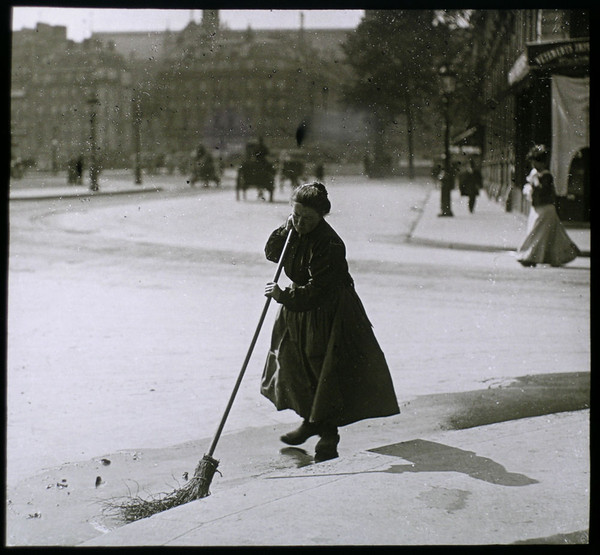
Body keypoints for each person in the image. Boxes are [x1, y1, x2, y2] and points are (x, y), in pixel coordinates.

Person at [262, 182, 400, 462]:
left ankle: (329, 436)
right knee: (292, 363)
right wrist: (285, 228)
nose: (301, 224)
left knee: (322, 369)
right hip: (296, 307)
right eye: (296, 216)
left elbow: (318, 291)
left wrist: (283, 295)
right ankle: (309, 421)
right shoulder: (294, 230)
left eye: (307, 219)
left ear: (321, 217)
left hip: (328, 312)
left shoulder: (330, 244)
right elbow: (272, 253)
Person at [516, 145, 580, 267]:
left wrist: (534, 186)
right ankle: (550, 257)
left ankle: (529, 256)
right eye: (533, 163)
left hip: (545, 209)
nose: (534, 166)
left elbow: (542, 191)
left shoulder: (546, 176)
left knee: (537, 233)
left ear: (542, 163)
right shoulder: (535, 174)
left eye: (536, 163)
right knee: (549, 235)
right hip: (537, 209)